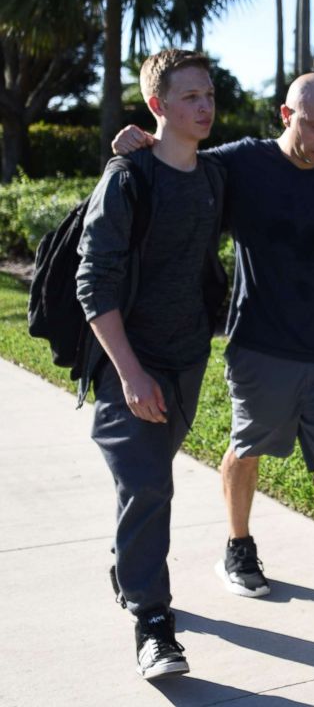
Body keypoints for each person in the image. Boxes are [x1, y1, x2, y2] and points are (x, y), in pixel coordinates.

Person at [112, 73, 314, 600]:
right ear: (285, 116)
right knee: (246, 449)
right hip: (260, 347)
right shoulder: (241, 162)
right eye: (313, 126)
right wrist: (141, 143)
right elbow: (178, 165)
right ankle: (238, 544)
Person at [76, 49, 227, 679]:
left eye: (210, 95)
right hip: (129, 359)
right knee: (148, 484)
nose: (205, 106)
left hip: (187, 356)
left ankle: (126, 563)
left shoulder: (216, 175)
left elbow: (290, 151)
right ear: (158, 105)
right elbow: (94, 282)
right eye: (190, 96)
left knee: (149, 478)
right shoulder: (129, 176)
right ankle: (154, 623)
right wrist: (131, 374)